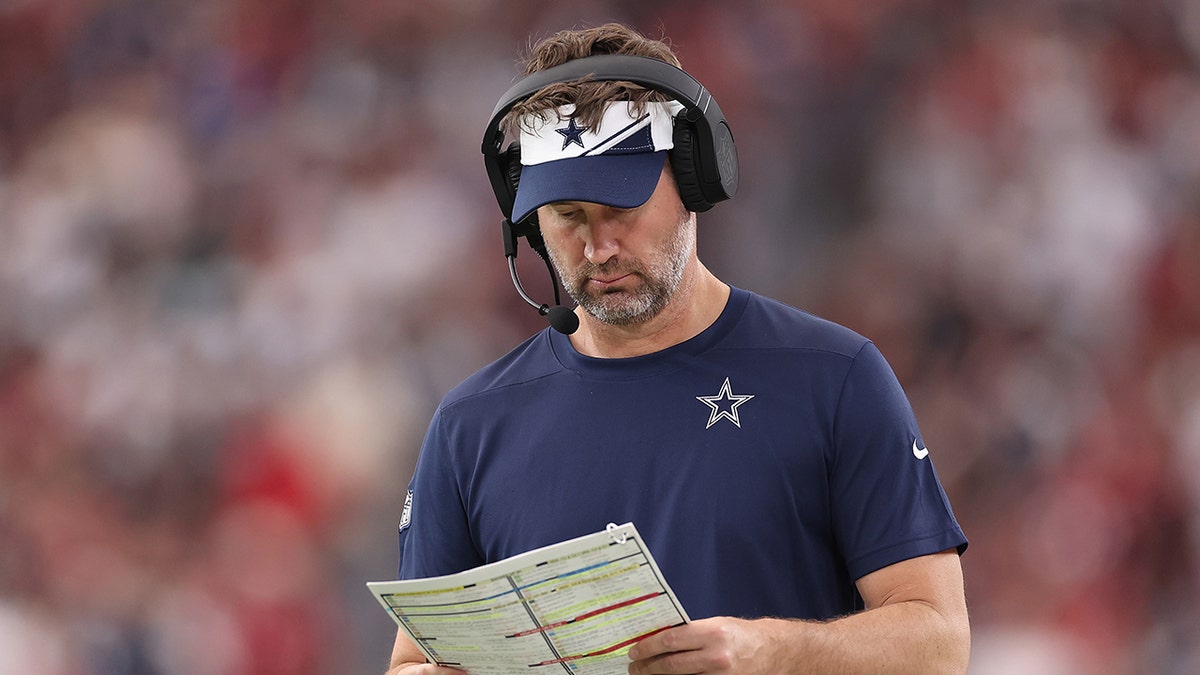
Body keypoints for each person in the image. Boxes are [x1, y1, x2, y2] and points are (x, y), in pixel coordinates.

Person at [386, 22, 969, 675]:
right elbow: (411, 661)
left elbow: (939, 641)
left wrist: (769, 651)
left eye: (621, 208)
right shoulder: (471, 426)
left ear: (694, 182)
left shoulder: (834, 378)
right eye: (569, 216)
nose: (598, 247)